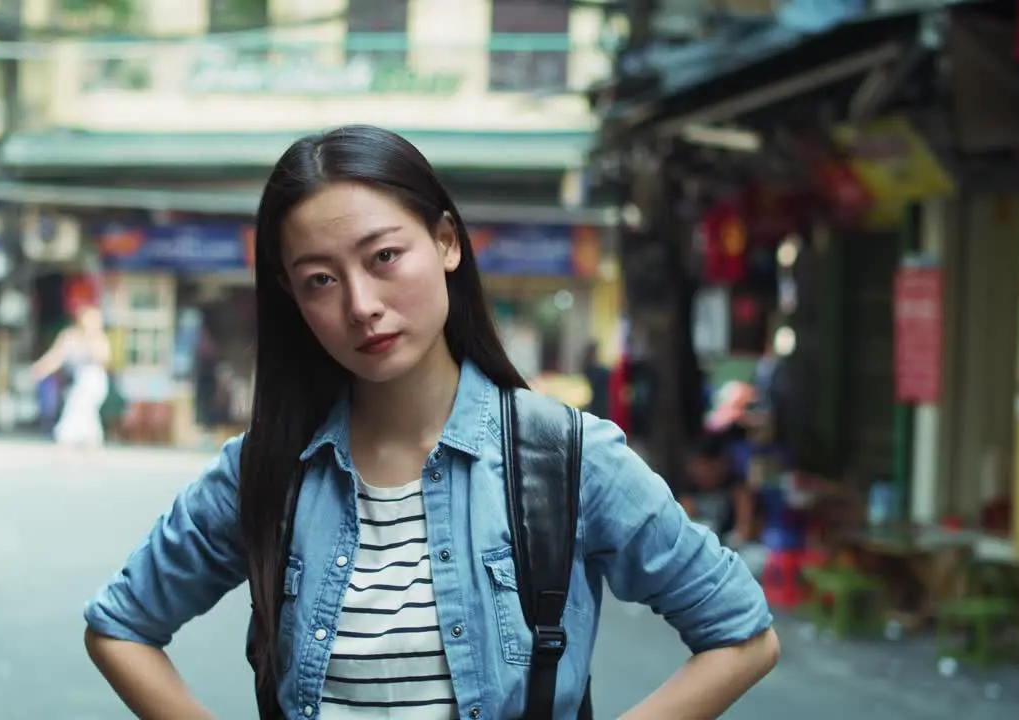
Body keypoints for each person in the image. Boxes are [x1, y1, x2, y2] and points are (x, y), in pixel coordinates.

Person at [82, 126, 778, 720]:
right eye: (320, 279)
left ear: (446, 242)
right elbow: (120, 625)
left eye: (384, 257)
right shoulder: (265, 471)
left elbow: (743, 636)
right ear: (291, 298)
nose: (362, 305)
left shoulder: (564, 458)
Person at [30, 304, 111, 448]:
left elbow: (104, 359)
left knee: (79, 407)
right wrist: (40, 369)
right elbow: (55, 356)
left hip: (93, 380)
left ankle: (70, 438)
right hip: (77, 379)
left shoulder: (100, 339)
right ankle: (89, 440)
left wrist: (91, 341)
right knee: (80, 409)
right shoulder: (69, 336)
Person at [678, 432, 756, 547]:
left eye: (708, 467)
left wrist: (736, 540)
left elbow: (744, 527)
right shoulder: (687, 491)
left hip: (733, 548)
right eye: (698, 466)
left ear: (721, 464)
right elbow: (685, 528)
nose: (703, 473)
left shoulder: (737, 488)